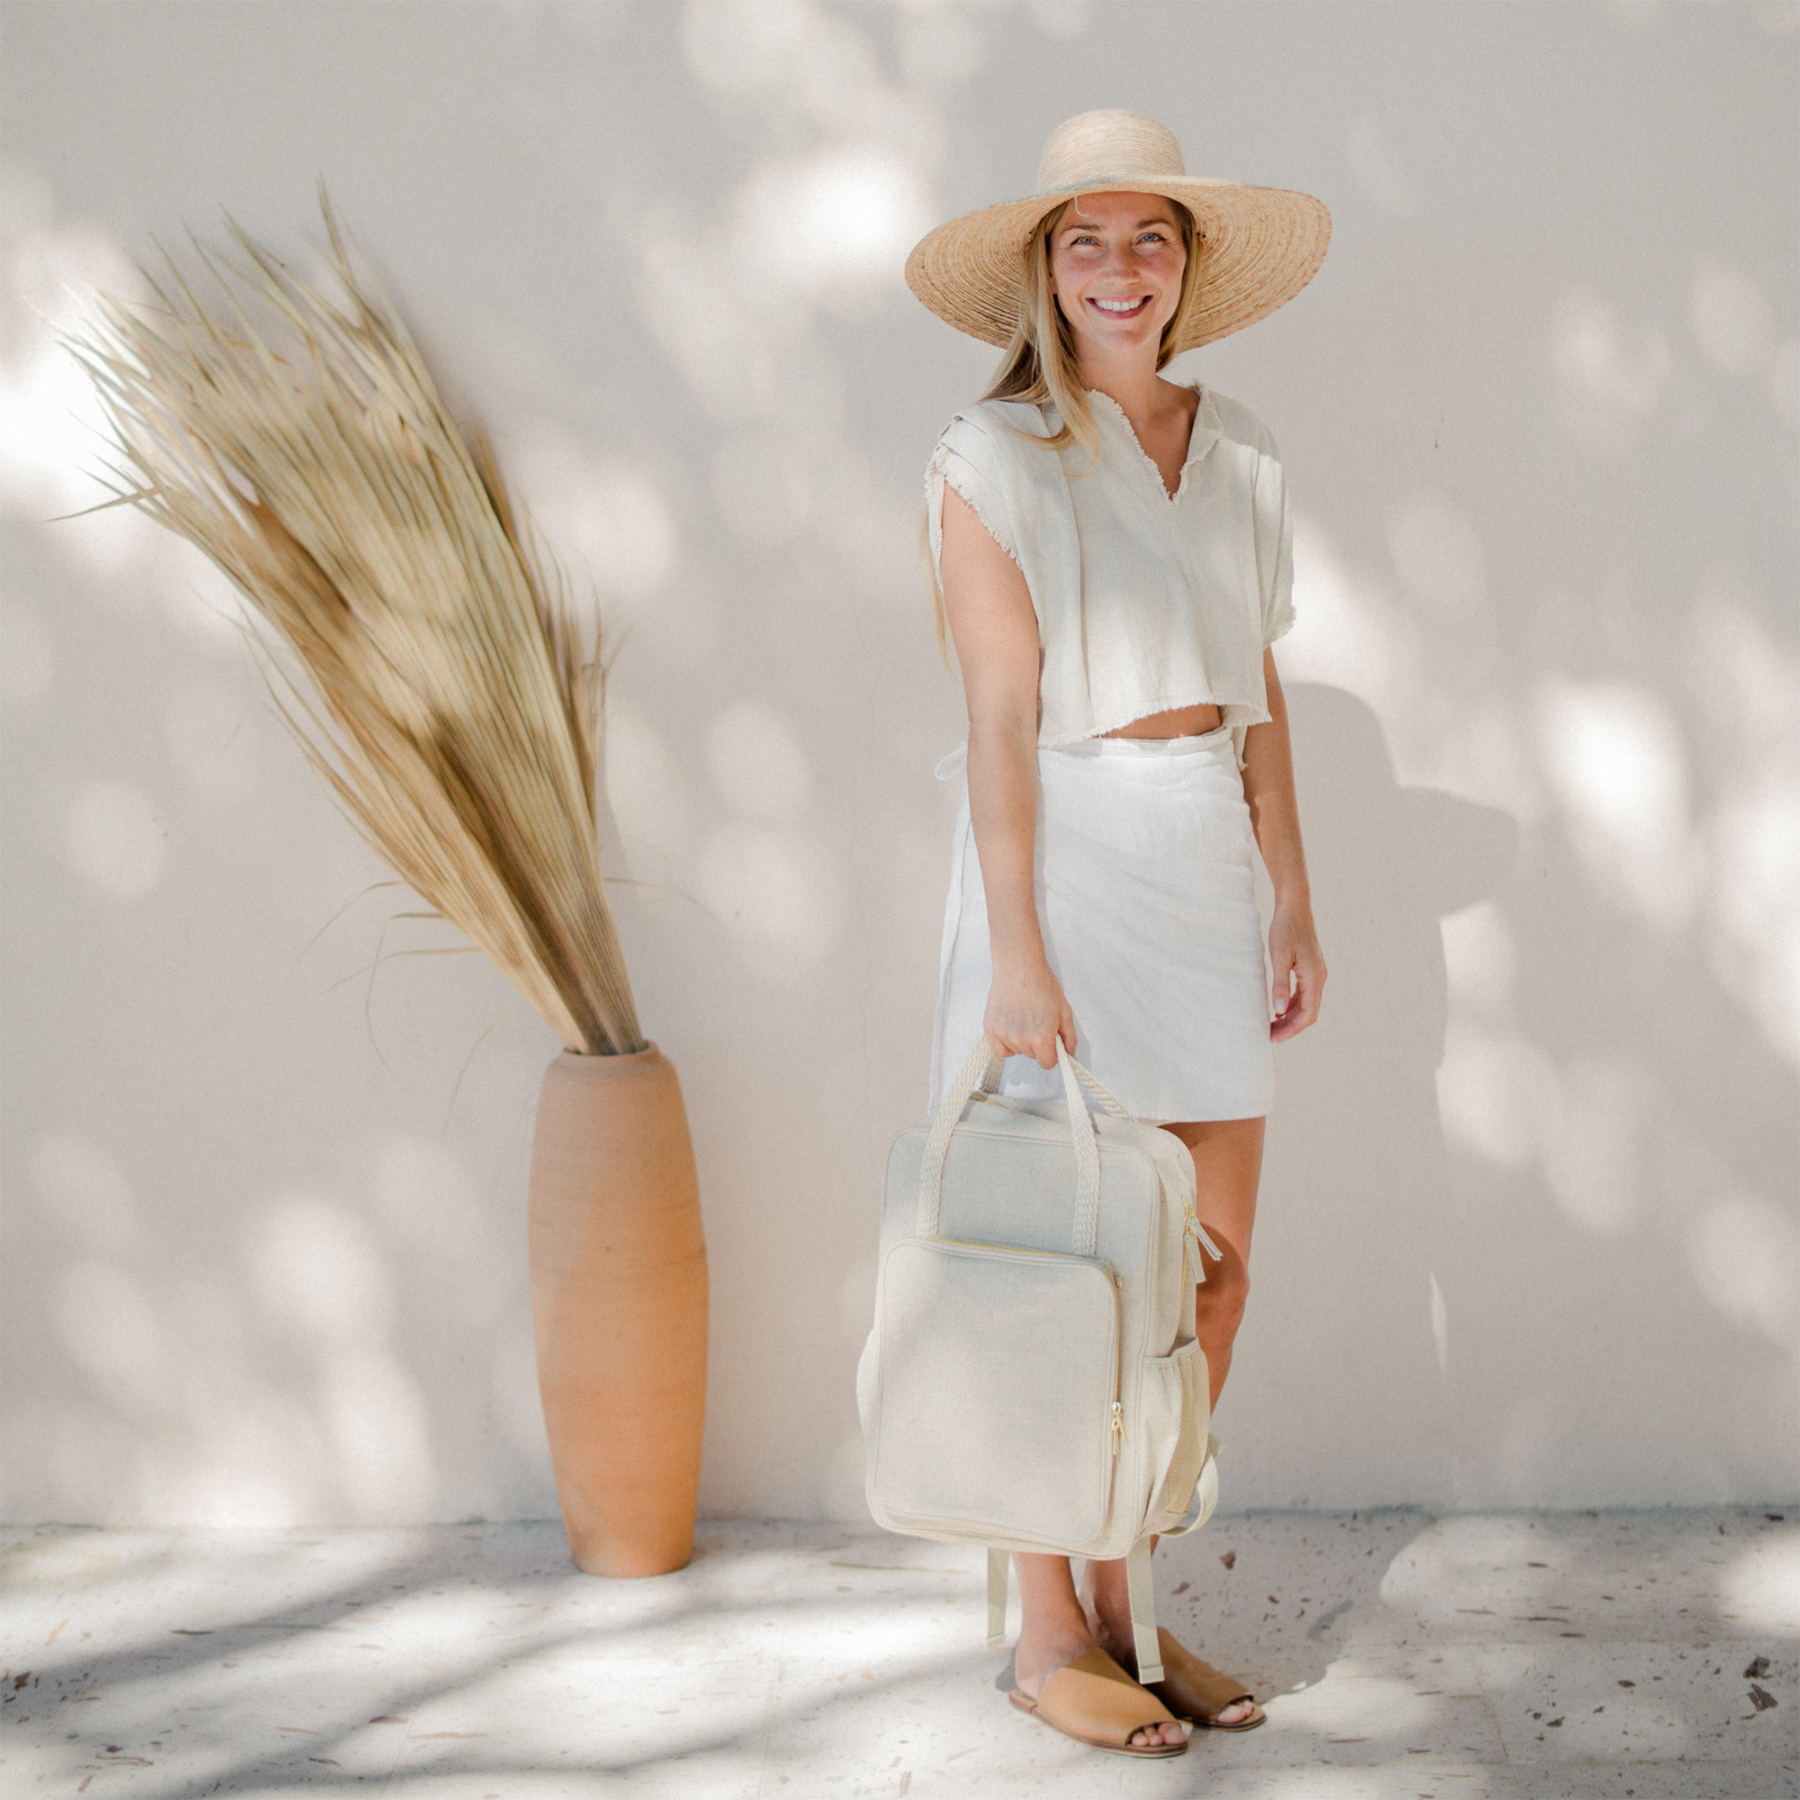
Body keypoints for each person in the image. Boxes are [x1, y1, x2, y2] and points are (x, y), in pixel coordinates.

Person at [906, 109, 1331, 1757]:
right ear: (1043, 269)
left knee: (1202, 1288)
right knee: (1056, 1275)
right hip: (1062, 861)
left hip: (1203, 856)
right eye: (1083, 241)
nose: (1117, 270)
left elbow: (1262, 689)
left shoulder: (1246, 453)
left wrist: (1292, 890)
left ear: (1189, 264)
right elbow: (1001, 721)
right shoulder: (989, 458)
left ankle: (1131, 1607)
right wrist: (1015, 945)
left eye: (1147, 237)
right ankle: (1042, 1637)